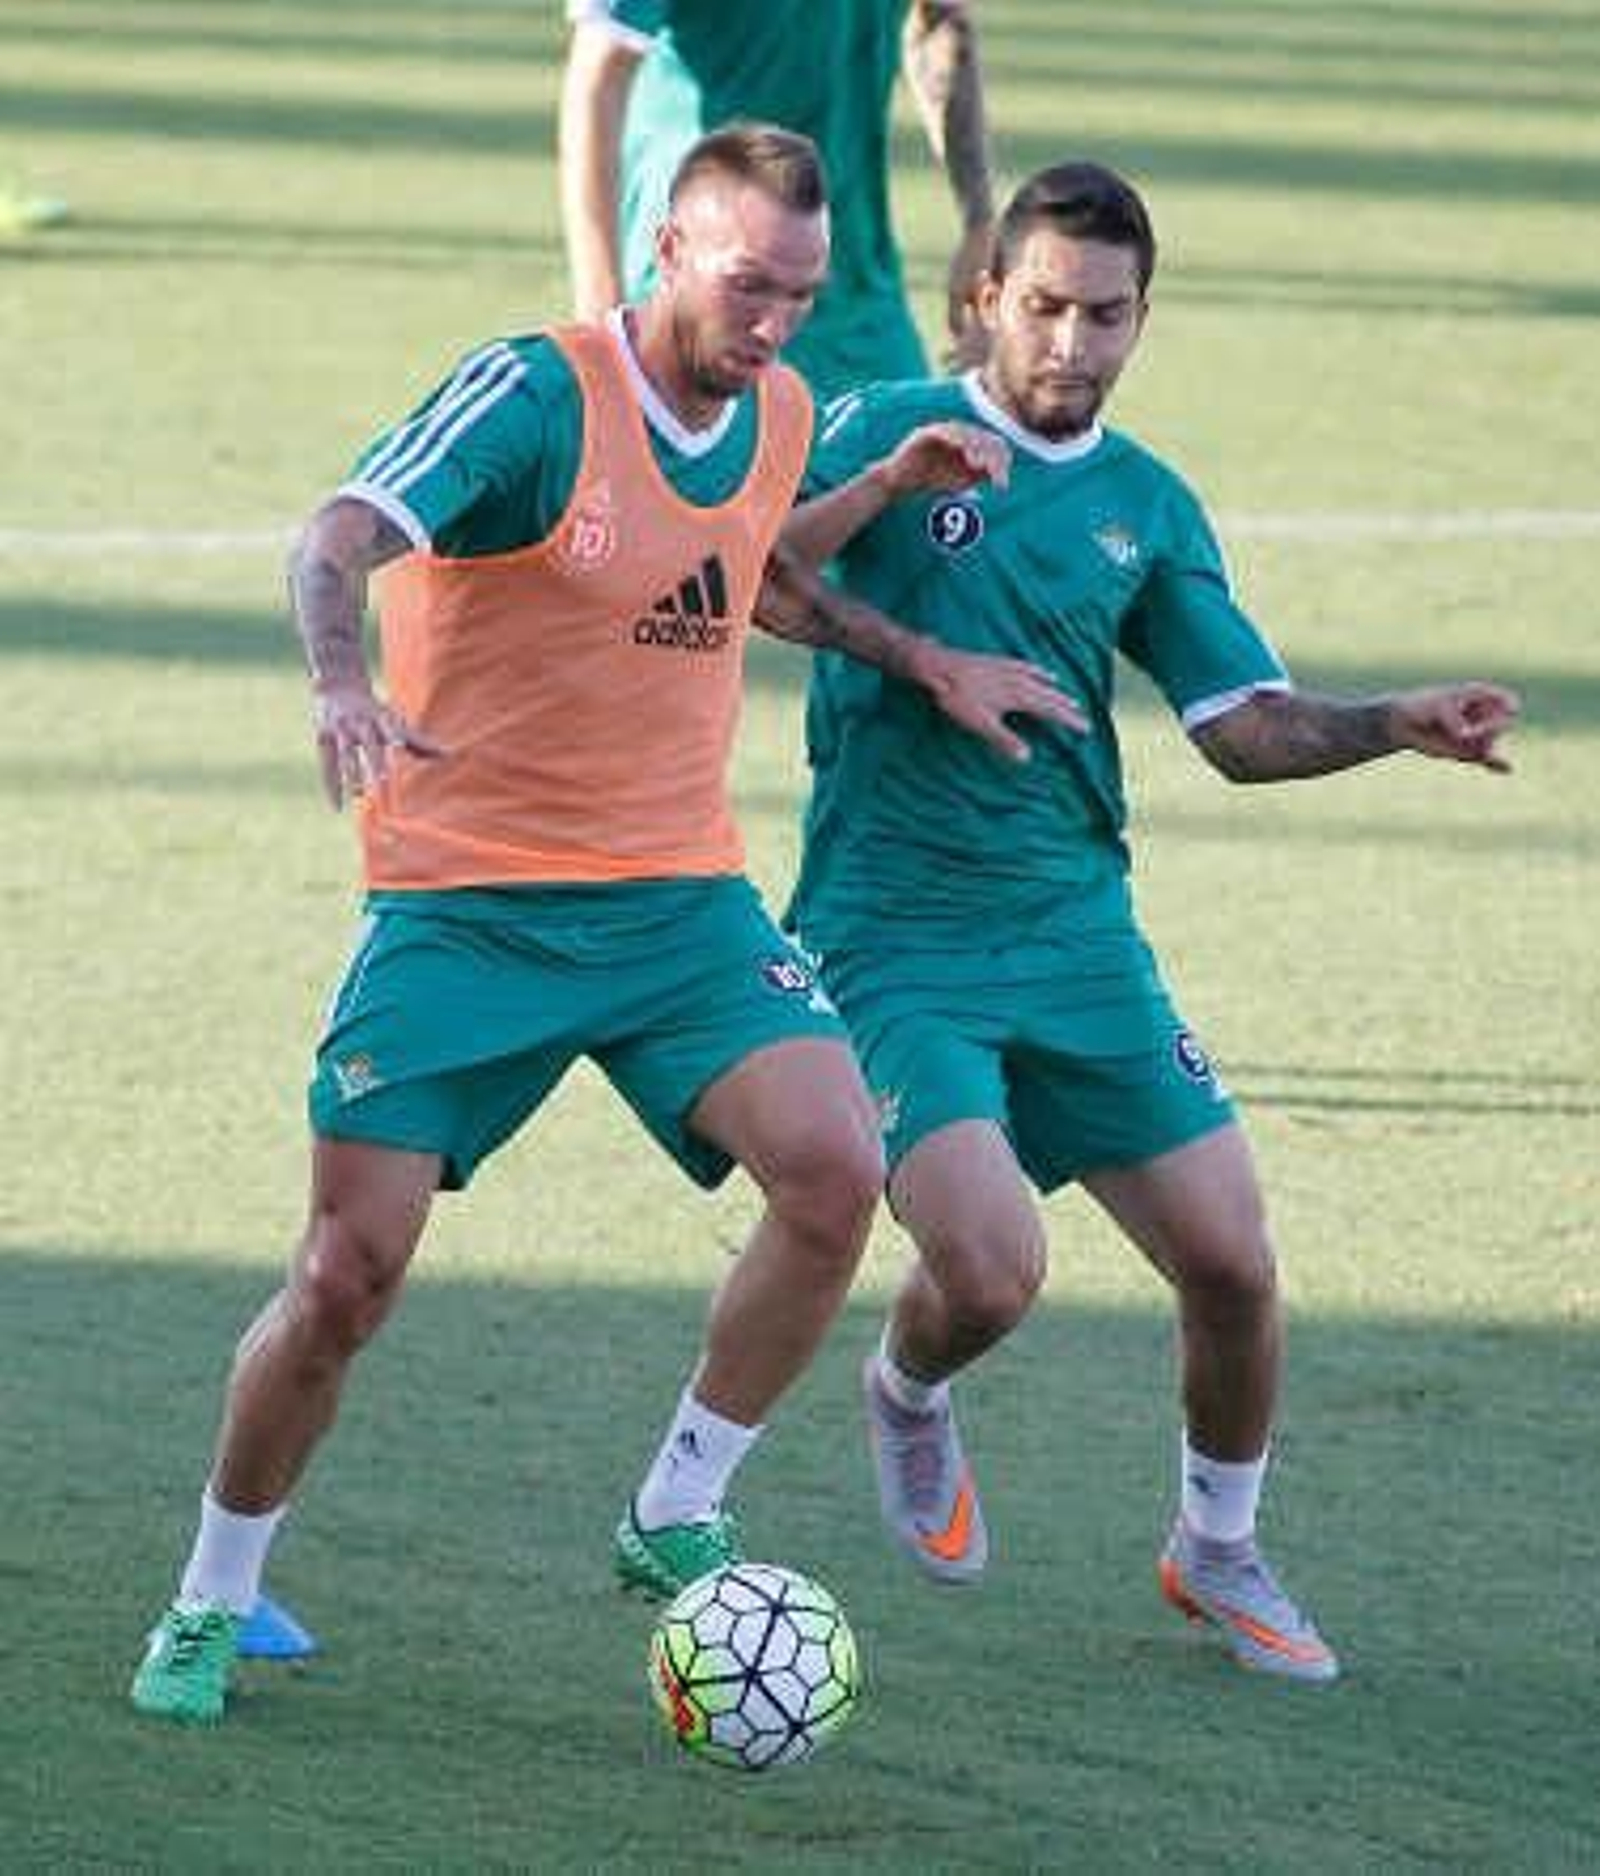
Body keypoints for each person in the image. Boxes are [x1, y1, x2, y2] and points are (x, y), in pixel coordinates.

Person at [129, 124, 1080, 1726]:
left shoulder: (776, 409)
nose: (777, 321)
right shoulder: (533, 396)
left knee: (839, 1166)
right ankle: (212, 1595)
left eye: (803, 291)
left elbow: (755, 574)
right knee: (347, 1272)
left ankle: (674, 1506)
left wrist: (889, 549)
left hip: (674, 901)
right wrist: (341, 679)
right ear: (664, 246)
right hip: (466, 905)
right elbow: (337, 535)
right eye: (747, 283)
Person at [781, 160, 1521, 1684]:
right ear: (987, 296)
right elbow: (741, 570)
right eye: (1044, 307)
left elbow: (1239, 728)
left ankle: (1219, 1547)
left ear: (1143, 319)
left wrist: (1392, 719)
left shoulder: (1147, 506)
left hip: (1074, 930)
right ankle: (911, 1394)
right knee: (989, 1274)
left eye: (1106, 316)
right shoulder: (886, 431)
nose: (1072, 344)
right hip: (888, 933)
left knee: (1237, 1268)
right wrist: (914, 619)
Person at [559, 0, 995, 401]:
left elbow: (939, 19)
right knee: (714, 481)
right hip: (711, 286)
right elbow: (599, 76)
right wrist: (601, 311)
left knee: (916, 472)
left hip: (860, 291)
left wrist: (979, 220)